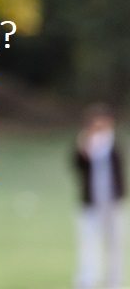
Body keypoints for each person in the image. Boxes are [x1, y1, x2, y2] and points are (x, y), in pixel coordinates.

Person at [74, 103, 125, 289]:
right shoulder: (86, 144)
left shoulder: (112, 144)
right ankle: (87, 280)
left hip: (112, 202)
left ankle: (114, 281)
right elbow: (77, 164)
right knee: (88, 243)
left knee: (114, 243)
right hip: (91, 201)